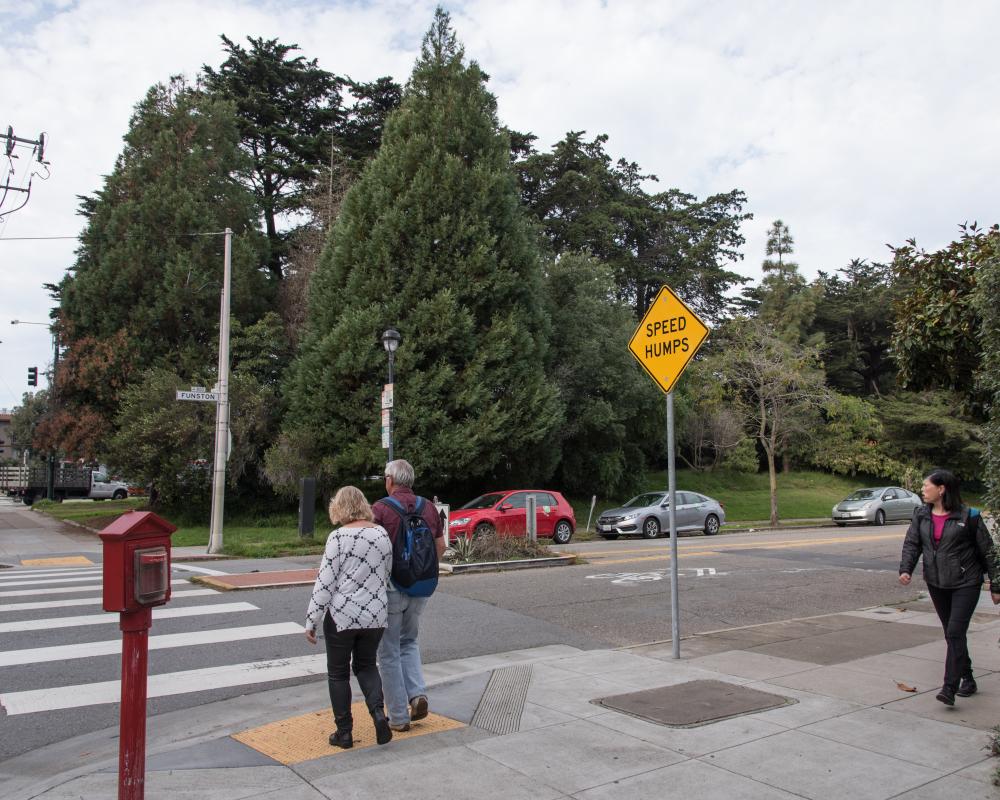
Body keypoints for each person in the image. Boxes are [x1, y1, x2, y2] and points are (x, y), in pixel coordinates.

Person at [899, 469, 1000, 706]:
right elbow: (912, 543)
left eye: (926, 486)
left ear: (941, 488)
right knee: (951, 634)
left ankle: (949, 687)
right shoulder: (922, 514)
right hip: (937, 582)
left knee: (955, 632)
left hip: (966, 582)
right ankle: (968, 677)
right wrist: (906, 569)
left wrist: (997, 584)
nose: (923, 490)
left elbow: (989, 552)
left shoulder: (970, 516)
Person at [305, 486, 394, 748]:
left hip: (343, 615)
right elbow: (386, 573)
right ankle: (378, 713)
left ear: (339, 507)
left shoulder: (338, 538)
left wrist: (312, 620)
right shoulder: (382, 534)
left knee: (338, 674)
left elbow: (325, 582)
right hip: (375, 614)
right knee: (367, 665)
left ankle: (344, 733)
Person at [373, 459, 446, 731]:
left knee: (389, 650)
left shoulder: (380, 509)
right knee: (410, 641)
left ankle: (399, 718)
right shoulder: (428, 507)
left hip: (391, 589)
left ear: (391, 480)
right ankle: (418, 695)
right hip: (422, 587)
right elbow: (441, 546)